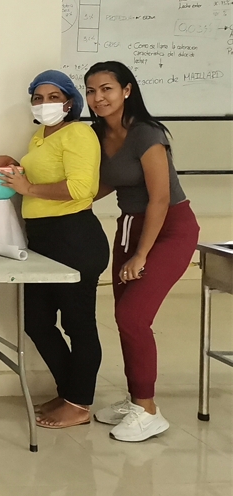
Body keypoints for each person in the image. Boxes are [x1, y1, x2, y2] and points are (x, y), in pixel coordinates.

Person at [0, 72, 105, 431]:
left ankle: (79, 403)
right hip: (42, 240)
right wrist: (14, 162)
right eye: (37, 97)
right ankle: (68, 392)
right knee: (36, 321)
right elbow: (40, 171)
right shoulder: (40, 136)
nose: (44, 104)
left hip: (74, 237)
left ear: (69, 102)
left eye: (53, 97)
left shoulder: (79, 133)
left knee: (78, 324)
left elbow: (81, 188)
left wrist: (28, 188)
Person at [85, 61, 200, 442]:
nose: (98, 98)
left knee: (133, 316)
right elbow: (103, 184)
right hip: (130, 228)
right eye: (91, 91)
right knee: (125, 318)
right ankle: (136, 399)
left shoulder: (147, 133)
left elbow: (160, 198)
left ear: (127, 91)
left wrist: (141, 255)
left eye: (107, 89)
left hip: (169, 229)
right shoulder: (98, 133)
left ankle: (148, 411)